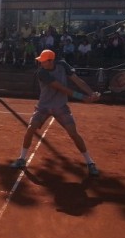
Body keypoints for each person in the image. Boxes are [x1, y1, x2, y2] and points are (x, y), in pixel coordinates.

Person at [9, 49, 101, 177]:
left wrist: (91, 93)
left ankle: (90, 163)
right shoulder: (41, 72)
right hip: (44, 107)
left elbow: (77, 80)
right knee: (30, 129)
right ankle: (21, 159)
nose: (41, 63)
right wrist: (82, 97)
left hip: (60, 106)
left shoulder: (62, 65)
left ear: (51, 61)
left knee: (73, 133)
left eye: (43, 61)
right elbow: (61, 88)